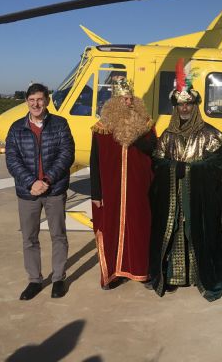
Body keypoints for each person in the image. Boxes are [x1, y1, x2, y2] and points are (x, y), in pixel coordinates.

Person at [150, 61, 222, 301]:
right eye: (181, 104)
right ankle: (173, 276)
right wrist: (176, 168)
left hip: (200, 201)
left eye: (189, 104)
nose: (184, 108)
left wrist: (191, 171)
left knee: (199, 234)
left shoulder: (210, 134)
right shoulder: (167, 135)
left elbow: (216, 163)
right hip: (173, 199)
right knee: (174, 234)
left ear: (195, 106)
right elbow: (157, 162)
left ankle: (199, 275)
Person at [5, 83, 75, 300]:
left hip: (54, 189)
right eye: (32, 100)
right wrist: (31, 182)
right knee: (29, 238)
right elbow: (12, 160)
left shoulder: (60, 124)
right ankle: (34, 280)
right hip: (28, 193)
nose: (36, 104)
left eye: (40, 99)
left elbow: (67, 154)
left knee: (58, 235)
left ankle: (58, 279)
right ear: (27, 101)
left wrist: (46, 179)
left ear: (46, 101)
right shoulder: (16, 128)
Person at [90, 78, 156, 289]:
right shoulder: (102, 128)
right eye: (123, 99)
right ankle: (113, 273)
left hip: (139, 190)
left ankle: (141, 270)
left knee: (141, 229)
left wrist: (135, 131)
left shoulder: (145, 124)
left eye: (130, 98)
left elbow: (153, 152)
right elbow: (95, 162)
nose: (128, 102)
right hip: (112, 192)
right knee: (111, 229)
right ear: (115, 102)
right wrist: (96, 193)